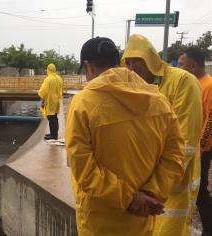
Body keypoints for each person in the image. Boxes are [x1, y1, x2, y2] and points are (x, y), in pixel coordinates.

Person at [65, 36, 185, 236]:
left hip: (99, 221)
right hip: (142, 217)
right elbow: (175, 156)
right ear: (117, 61)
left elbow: (83, 169)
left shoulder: (83, 104)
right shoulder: (159, 101)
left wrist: (129, 198)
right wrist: (150, 193)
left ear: (88, 66)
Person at [122, 34, 203, 236]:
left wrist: (155, 187)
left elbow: (186, 142)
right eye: (128, 62)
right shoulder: (135, 88)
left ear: (151, 59)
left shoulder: (183, 81)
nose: (132, 67)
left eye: (137, 61)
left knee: (170, 230)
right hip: (145, 182)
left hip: (176, 180)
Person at [178, 47, 212, 236]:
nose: (179, 67)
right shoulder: (194, 84)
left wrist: (202, 147)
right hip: (195, 147)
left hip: (203, 149)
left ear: (192, 66)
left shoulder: (208, 86)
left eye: (182, 64)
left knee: (200, 193)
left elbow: (210, 120)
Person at [38, 63, 63, 140]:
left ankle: (53, 135)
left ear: (48, 70)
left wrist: (40, 94)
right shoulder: (59, 78)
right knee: (54, 117)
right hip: (56, 100)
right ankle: (54, 134)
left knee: (51, 117)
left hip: (50, 100)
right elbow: (60, 90)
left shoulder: (48, 79)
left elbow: (43, 91)